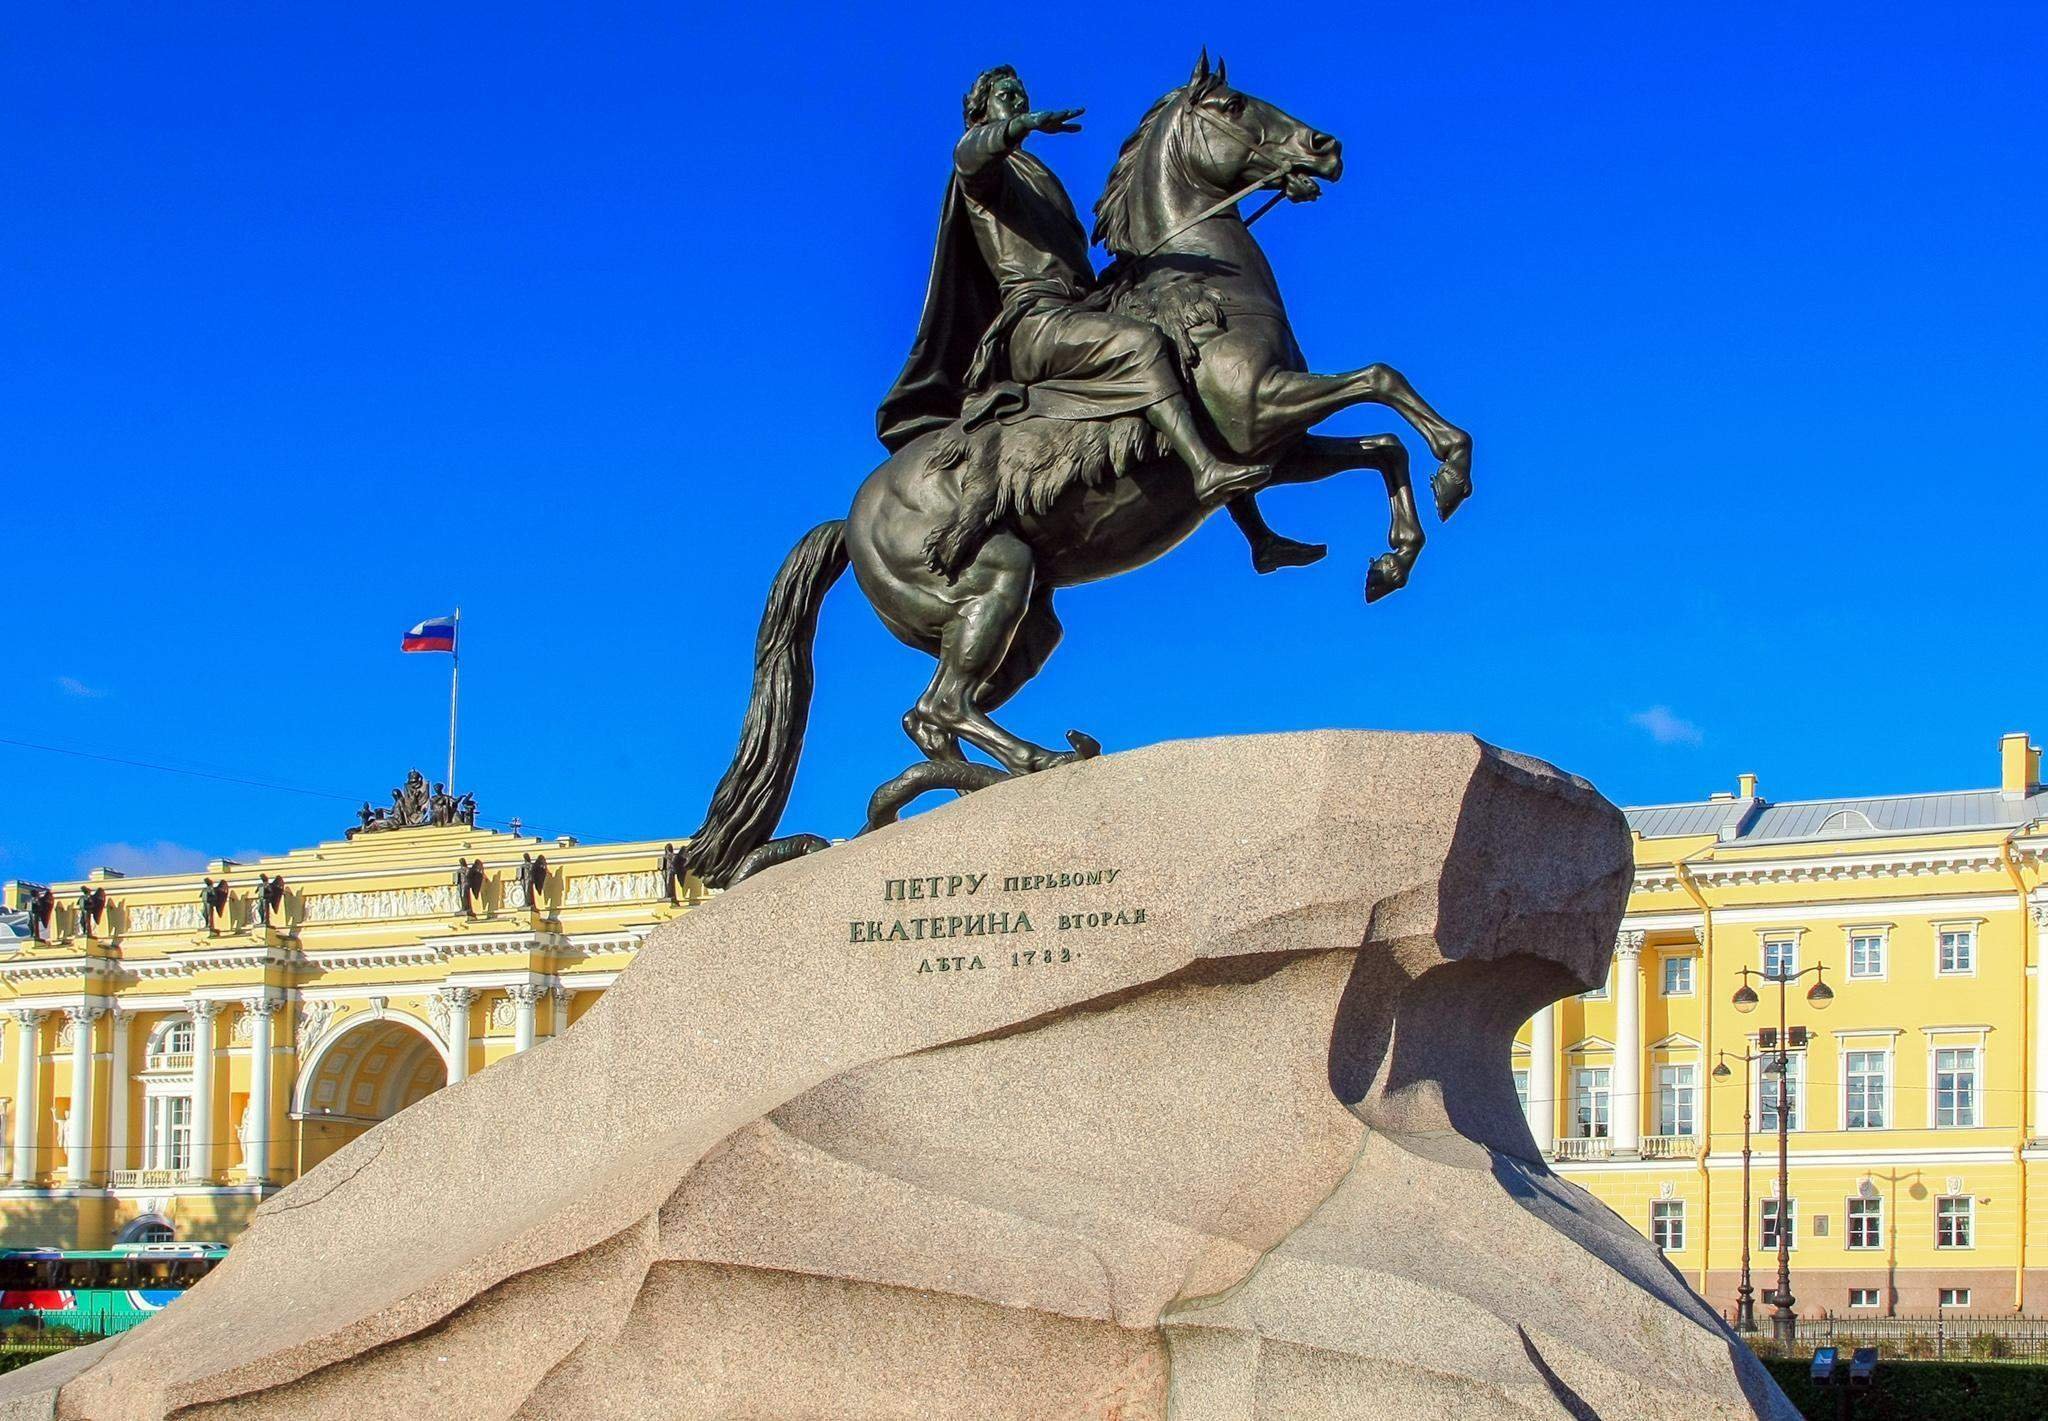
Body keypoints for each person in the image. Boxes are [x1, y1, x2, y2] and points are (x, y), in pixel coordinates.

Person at [878, 65, 1324, 573]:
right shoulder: (988, 170)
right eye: (1007, 96)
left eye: (1022, 95)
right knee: (1139, 343)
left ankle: (1260, 537)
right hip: (1034, 321)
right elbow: (969, 158)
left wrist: (1271, 178)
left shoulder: (1041, 179)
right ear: (980, 111)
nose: (1018, 101)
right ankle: (1203, 468)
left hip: (1076, 308)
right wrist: (1013, 130)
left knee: (1197, 367)